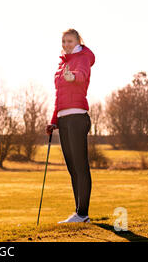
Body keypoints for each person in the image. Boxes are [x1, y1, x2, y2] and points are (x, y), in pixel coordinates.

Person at [46, 29, 95, 223]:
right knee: (72, 168)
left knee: (81, 166)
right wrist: (53, 120)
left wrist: (73, 77)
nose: (66, 44)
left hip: (77, 117)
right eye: (64, 41)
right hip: (64, 119)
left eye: (70, 40)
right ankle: (78, 213)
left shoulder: (82, 57)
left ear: (78, 41)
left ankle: (83, 213)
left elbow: (82, 74)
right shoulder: (62, 64)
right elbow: (59, 98)